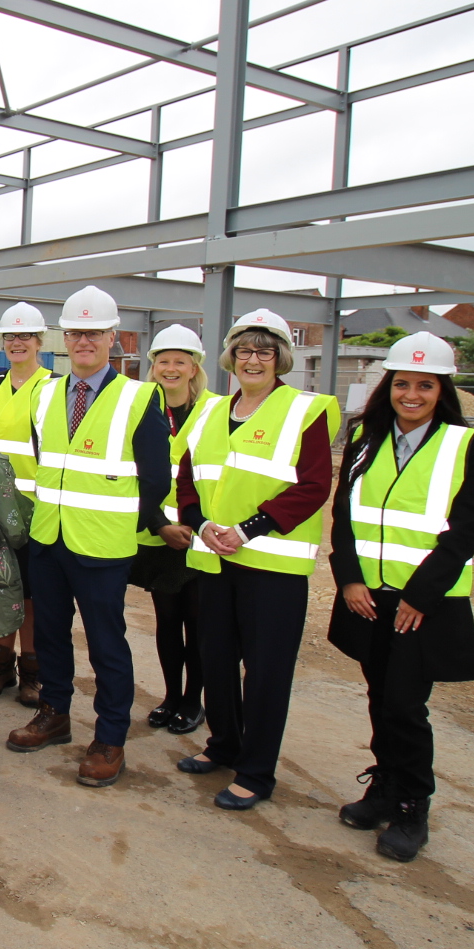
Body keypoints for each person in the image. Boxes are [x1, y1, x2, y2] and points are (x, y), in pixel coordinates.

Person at [329, 332, 474, 862]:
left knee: (405, 703)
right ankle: (385, 786)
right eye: (402, 384)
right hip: (369, 597)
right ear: (388, 388)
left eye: (425, 385)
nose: (412, 395)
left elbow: (464, 531)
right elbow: (345, 518)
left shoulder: (467, 446)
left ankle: (411, 803)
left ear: (441, 390)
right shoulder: (365, 439)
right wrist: (349, 579)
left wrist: (420, 595)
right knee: (380, 695)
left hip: (422, 604)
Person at [5, 286, 170, 789]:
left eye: (94, 332)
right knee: (51, 635)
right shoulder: (48, 393)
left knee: (106, 645)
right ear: (64, 337)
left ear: (111, 337)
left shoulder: (139, 397)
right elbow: (43, 463)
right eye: (76, 332)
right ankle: (54, 714)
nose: (84, 341)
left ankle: (110, 737)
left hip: (102, 546)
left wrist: (120, 523)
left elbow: (156, 479)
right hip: (49, 540)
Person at [173, 308, 338, 810]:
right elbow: (187, 477)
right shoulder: (208, 411)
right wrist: (200, 523)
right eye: (244, 350)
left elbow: (313, 485)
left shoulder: (304, 410)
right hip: (214, 558)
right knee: (216, 659)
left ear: (281, 358)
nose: (253, 360)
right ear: (230, 357)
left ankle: (257, 771)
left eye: (265, 351)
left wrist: (248, 529)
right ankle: (223, 744)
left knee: (265, 671)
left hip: (271, 566)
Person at [131, 324, 213, 736]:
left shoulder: (216, 409)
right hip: (158, 534)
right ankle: (170, 696)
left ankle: (194, 700)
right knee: (167, 620)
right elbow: (133, 472)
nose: (171, 368)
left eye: (180, 361)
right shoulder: (142, 405)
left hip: (201, 533)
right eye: (163, 361)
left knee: (197, 621)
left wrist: (195, 526)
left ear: (195, 367)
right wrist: (160, 524)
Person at [0, 302, 52, 706]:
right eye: (10, 336)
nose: (17, 342)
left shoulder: (53, 387)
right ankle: (0, 666)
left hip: (38, 510)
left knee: (33, 595)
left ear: (40, 341)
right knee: (2, 584)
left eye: (25, 336)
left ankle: (32, 672)